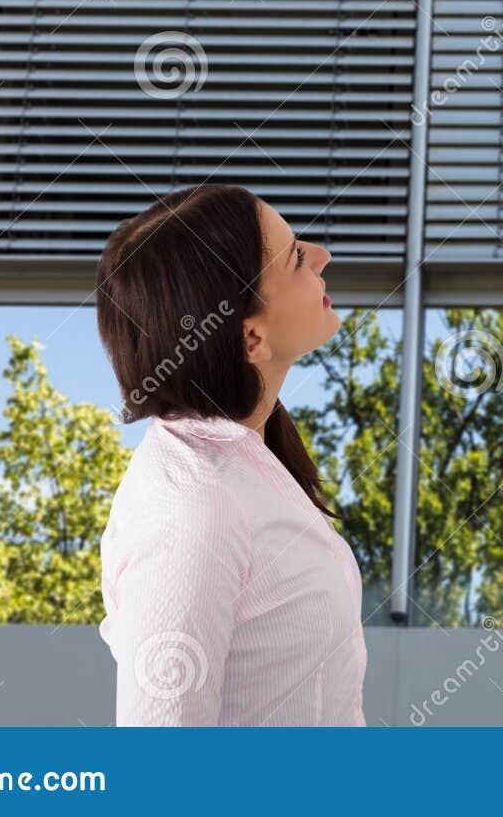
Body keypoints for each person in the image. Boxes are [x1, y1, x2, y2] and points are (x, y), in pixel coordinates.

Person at [95, 184, 366, 725]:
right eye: (295, 258)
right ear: (250, 338)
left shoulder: (248, 460)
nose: (322, 256)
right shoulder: (193, 508)